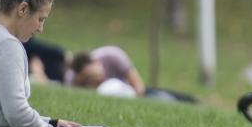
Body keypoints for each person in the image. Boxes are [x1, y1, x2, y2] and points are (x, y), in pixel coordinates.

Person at [68, 45, 197, 103]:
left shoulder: (113, 55)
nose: (95, 81)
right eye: (88, 80)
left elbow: (139, 86)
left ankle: (194, 101)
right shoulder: (73, 77)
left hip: (135, 91)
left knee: (166, 99)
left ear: (96, 62)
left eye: (92, 76)